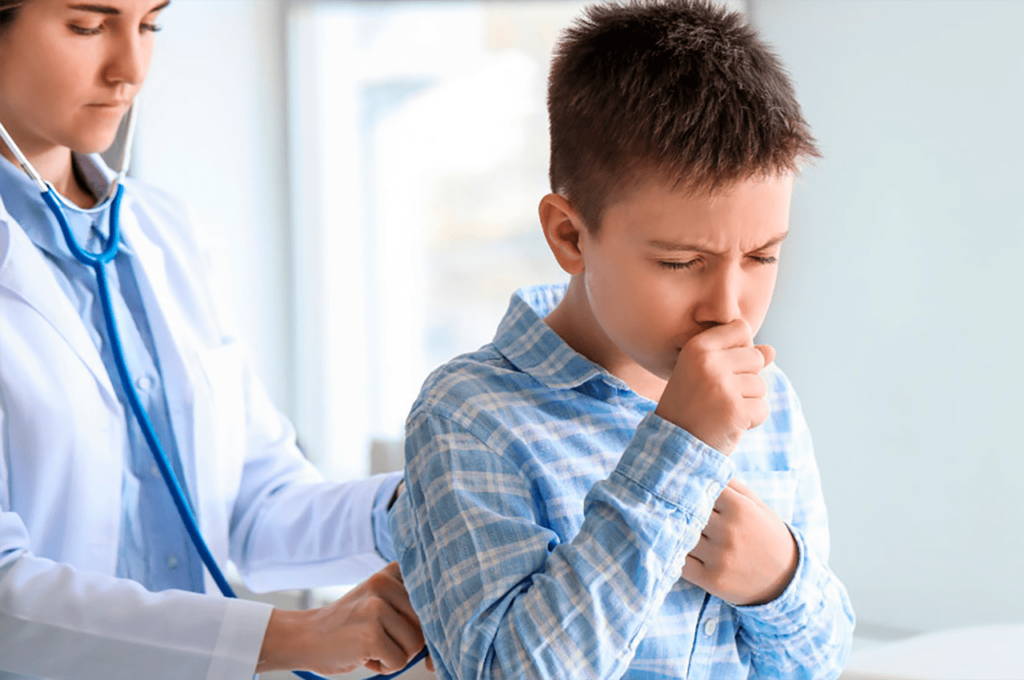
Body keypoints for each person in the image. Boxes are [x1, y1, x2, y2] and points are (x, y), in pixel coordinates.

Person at [388, 1, 856, 678]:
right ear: (570, 236)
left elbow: (819, 663)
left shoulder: (770, 400)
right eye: (680, 263)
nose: (728, 309)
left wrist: (778, 580)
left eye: (761, 256)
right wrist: (682, 448)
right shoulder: (471, 418)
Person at [0, 1, 426, 678]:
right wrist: (295, 636)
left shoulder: (164, 232)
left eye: (150, 25)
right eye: (89, 26)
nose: (131, 69)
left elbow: (252, 506)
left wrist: (420, 507)